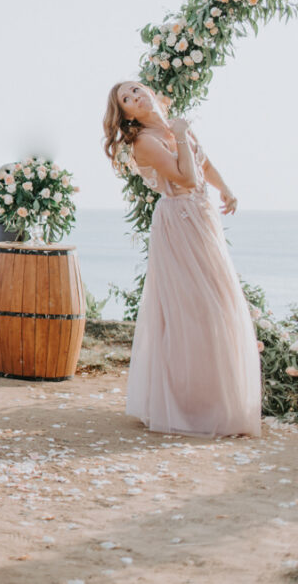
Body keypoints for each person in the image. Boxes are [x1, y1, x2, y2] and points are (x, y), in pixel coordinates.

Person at [103, 81, 261, 437]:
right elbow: (187, 179)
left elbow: (204, 166)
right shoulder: (145, 141)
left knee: (221, 303)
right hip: (180, 221)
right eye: (126, 100)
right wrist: (179, 134)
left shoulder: (176, 126)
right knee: (193, 309)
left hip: (204, 218)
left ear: (147, 90)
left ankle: (221, 401)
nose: (135, 97)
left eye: (135, 90)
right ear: (127, 115)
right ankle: (189, 406)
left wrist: (226, 190)